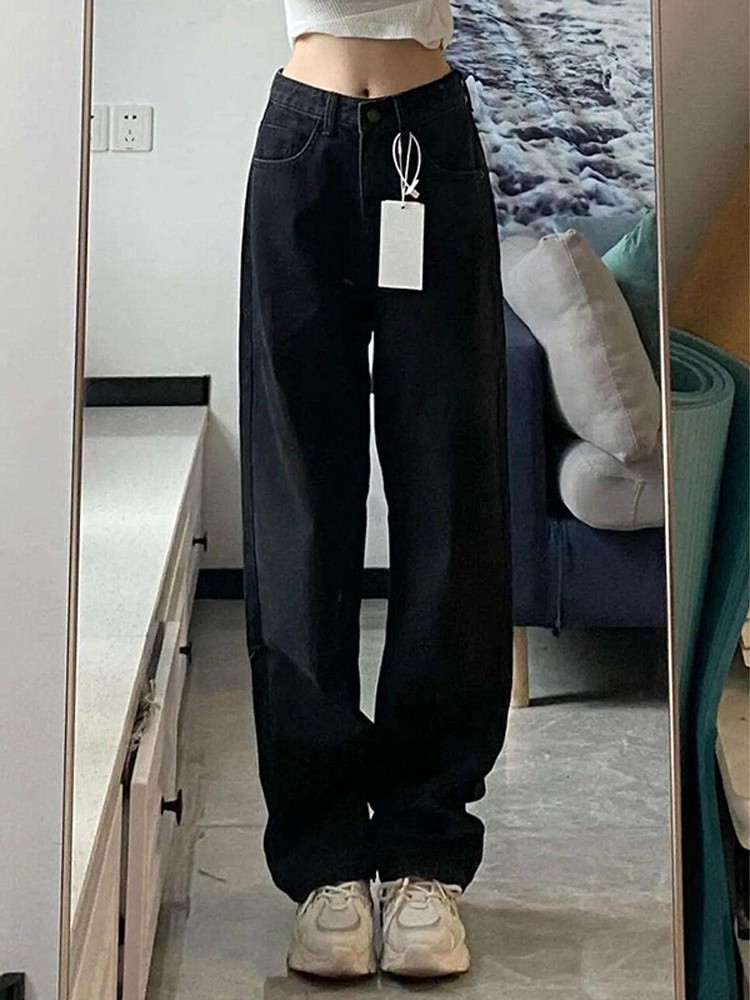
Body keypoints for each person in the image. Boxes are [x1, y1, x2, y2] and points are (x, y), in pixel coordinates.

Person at [238, 0, 513, 980]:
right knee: (299, 512)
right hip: (299, 143)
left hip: (428, 140)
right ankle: (324, 863)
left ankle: (424, 853)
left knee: (451, 502)